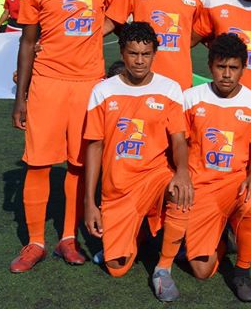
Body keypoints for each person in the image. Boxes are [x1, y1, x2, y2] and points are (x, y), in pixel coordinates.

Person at [9, 0, 116, 273]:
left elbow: (116, 18)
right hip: (48, 84)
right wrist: (20, 98)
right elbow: (27, 43)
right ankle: (35, 242)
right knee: (38, 163)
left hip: (89, 86)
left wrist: (92, 34)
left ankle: (67, 238)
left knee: (78, 164)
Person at [82, 22, 192, 302]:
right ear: (122, 52)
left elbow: (179, 140)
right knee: (116, 268)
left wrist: (182, 171)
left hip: (155, 176)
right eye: (133, 53)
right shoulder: (103, 91)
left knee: (180, 191)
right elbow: (94, 146)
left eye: (146, 54)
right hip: (118, 187)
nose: (139, 61)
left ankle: (163, 268)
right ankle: (139, 232)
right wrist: (89, 202)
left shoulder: (169, 89)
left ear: (154, 54)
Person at [175, 33, 251, 302]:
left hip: (236, 184)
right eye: (221, 67)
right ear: (210, 65)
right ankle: (222, 237)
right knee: (202, 271)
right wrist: (182, 174)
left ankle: (242, 271)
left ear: (243, 68)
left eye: (233, 67)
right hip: (201, 187)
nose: (227, 74)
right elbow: (180, 144)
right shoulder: (190, 98)